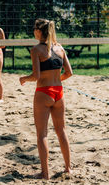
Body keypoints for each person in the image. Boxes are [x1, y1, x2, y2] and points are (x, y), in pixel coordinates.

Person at [19, 18, 73, 180]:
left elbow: (36, 76)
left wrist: (24, 78)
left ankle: (45, 173)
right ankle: (68, 168)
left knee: (42, 134)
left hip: (44, 92)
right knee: (61, 131)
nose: (33, 30)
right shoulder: (60, 47)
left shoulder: (36, 50)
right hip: (58, 92)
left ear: (39, 31)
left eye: (34, 28)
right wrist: (55, 81)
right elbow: (69, 73)